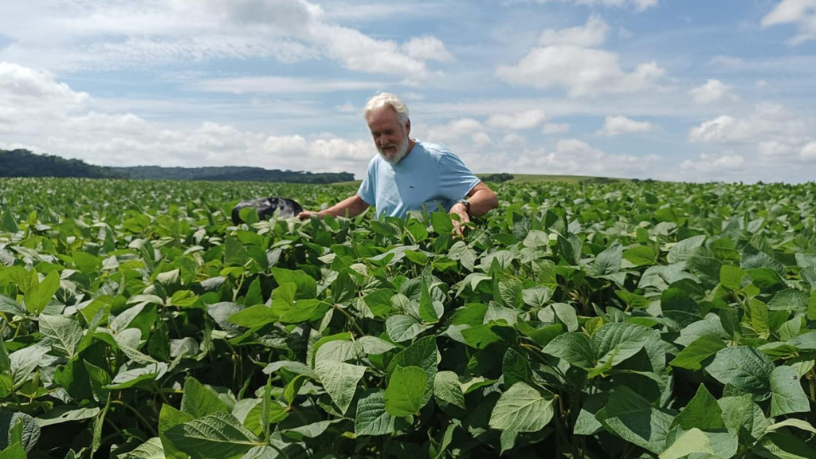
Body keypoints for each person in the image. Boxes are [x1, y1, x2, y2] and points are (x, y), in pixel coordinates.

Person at [297, 93, 498, 235]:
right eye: (376, 134)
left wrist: (462, 206)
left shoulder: (436, 158)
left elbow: (488, 197)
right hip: (389, 257)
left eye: (389, 132)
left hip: (427, 257)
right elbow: (360, 202)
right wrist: (322, 216)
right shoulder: (378, 163)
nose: (383, 142)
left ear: (407, 126)